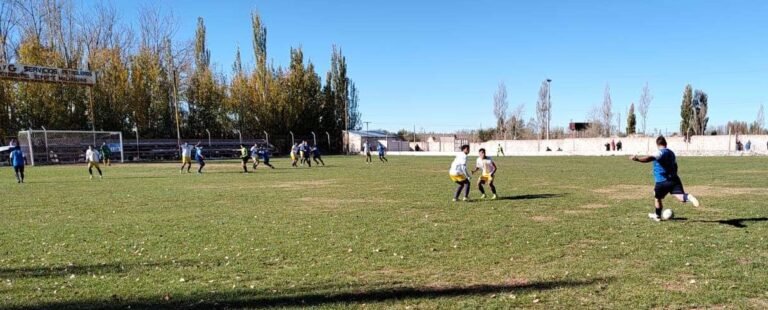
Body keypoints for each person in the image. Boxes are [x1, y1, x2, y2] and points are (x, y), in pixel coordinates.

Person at [630, 136, 700, 222]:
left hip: (662, 181)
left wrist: (637, 159)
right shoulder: (671, 153)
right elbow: (675, 165)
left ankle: (657, 216)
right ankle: (688, 197)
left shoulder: (659, 152)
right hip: (674, 179)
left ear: (657, 144)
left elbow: (650, 158)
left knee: (657, 198)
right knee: (681, 197)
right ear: (666, 144)